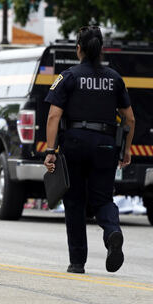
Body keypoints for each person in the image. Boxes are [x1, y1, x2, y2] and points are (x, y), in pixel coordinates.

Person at [44, 26, 134, 274]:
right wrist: (126, 149)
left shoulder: (69, 76)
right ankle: (112, 232)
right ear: (101, 49)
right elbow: (130, 119)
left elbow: (53, 115)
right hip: (105, 144)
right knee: (103, 198)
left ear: (79, 49)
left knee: (74, 201)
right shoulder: (114, 78)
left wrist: (50, 150)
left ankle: (77, 262)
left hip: (74, 143)